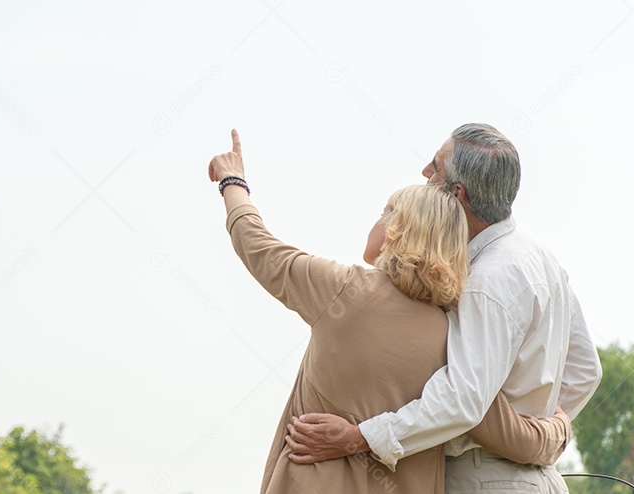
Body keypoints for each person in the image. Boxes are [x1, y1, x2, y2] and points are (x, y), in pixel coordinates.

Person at [208, 129, 571, 493]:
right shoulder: (452, 333)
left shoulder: (340, 289)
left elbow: (257, 246)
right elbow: (504, 428)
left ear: (396, 231)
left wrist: (232, 180)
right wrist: (558, 428)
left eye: (385, 212)